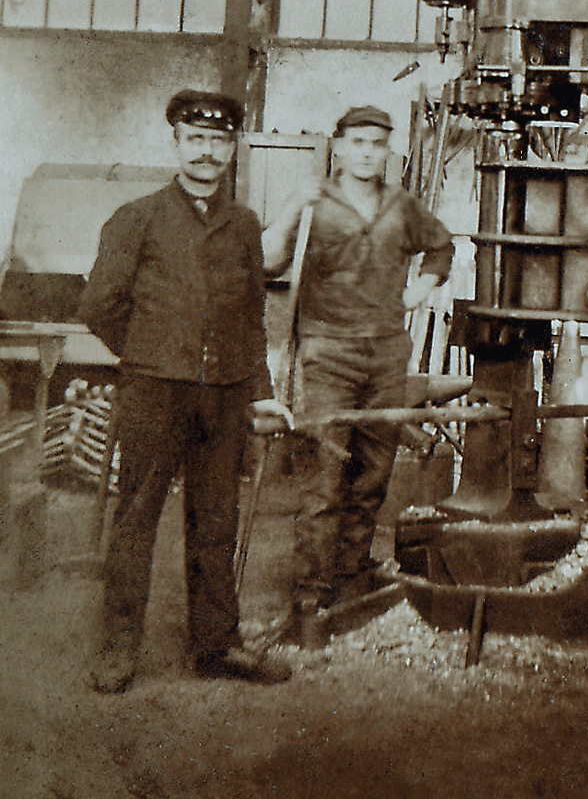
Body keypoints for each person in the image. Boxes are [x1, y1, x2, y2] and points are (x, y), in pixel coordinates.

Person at [79, 89, 293, 693]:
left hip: (224, 396)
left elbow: (253, 320)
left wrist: (261, 392)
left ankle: (216, 644)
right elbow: (98, 305)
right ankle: (119, 650)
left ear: (232, 149)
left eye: (218, 140)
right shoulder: (137, 217)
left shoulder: (245, 224)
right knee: (137, 519)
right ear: (176, 143)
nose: (206, 151)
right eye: (195, 139)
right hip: (154, 392)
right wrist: (149, 353)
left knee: (215, 520)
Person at [262, 104, 454, 641]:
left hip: (387, 353)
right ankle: (311, 595)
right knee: (324, 478)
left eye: (378, 143)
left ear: (386, 150)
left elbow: (441, 246)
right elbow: (267, 261)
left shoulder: (401, 205)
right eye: (359, 142)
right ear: (339, 145)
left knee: (372, 474)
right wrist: (286, 215)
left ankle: (351, 575)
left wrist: (421, 288)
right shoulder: (314, 201)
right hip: (328, 353)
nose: (368, 151)